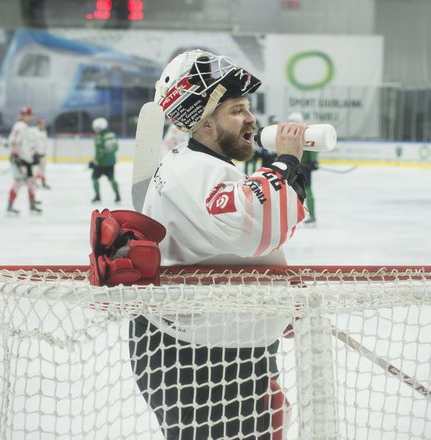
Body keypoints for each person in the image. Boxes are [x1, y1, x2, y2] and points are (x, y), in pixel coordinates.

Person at [131, 49, 308, 439]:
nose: (251, 119)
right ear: (206, 124)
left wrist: (277, 305)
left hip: (224, 345)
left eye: (248, 108)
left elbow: (242, 243)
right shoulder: (194, 170)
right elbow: (254, 226)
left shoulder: (199, 165)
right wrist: (286, 163)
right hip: (200, 356)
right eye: (237, 110)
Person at [7, 106, 41, 214]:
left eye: (31, 115)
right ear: (24, 116)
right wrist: (15, 156)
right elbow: (12, 141)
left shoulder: (26, 127)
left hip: (27, 160)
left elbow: (28, 144)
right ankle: (10, 206)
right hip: (20, 160)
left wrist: (34, 155)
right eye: (29, 115)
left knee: (31, 182)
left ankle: (31, 205)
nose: (31, 117)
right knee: (18, 182)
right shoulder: (19, 126)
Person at [287, 112, 318, 224]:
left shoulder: (307, 134)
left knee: (307, 191)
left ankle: (312, 215)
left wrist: (313, 161)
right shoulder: (289, 135)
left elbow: (313, 147)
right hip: (293, 166)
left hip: (304, 168)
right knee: (290, 192)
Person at [89, 117, 121, 203]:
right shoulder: (110, 135)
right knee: (112, 179)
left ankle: (97, 196)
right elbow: (114, 148)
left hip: (101, 163)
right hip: (110, 162)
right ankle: (118, 196)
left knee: (94, 178)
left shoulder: (102, 136)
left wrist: (95, 161)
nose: (95, 130)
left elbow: (103, 151)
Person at [31, 118, 50, 189]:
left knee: (43, 170)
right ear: (38, 124)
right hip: (37, 155)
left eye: (43, 124)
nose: (43, 125)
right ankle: (34, 183)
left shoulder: (44, 132)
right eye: (41, 124)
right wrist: (33, 152)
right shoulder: (34, 132)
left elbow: (44, 144)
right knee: (36, 170)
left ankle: (43, 183)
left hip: (43, 155)